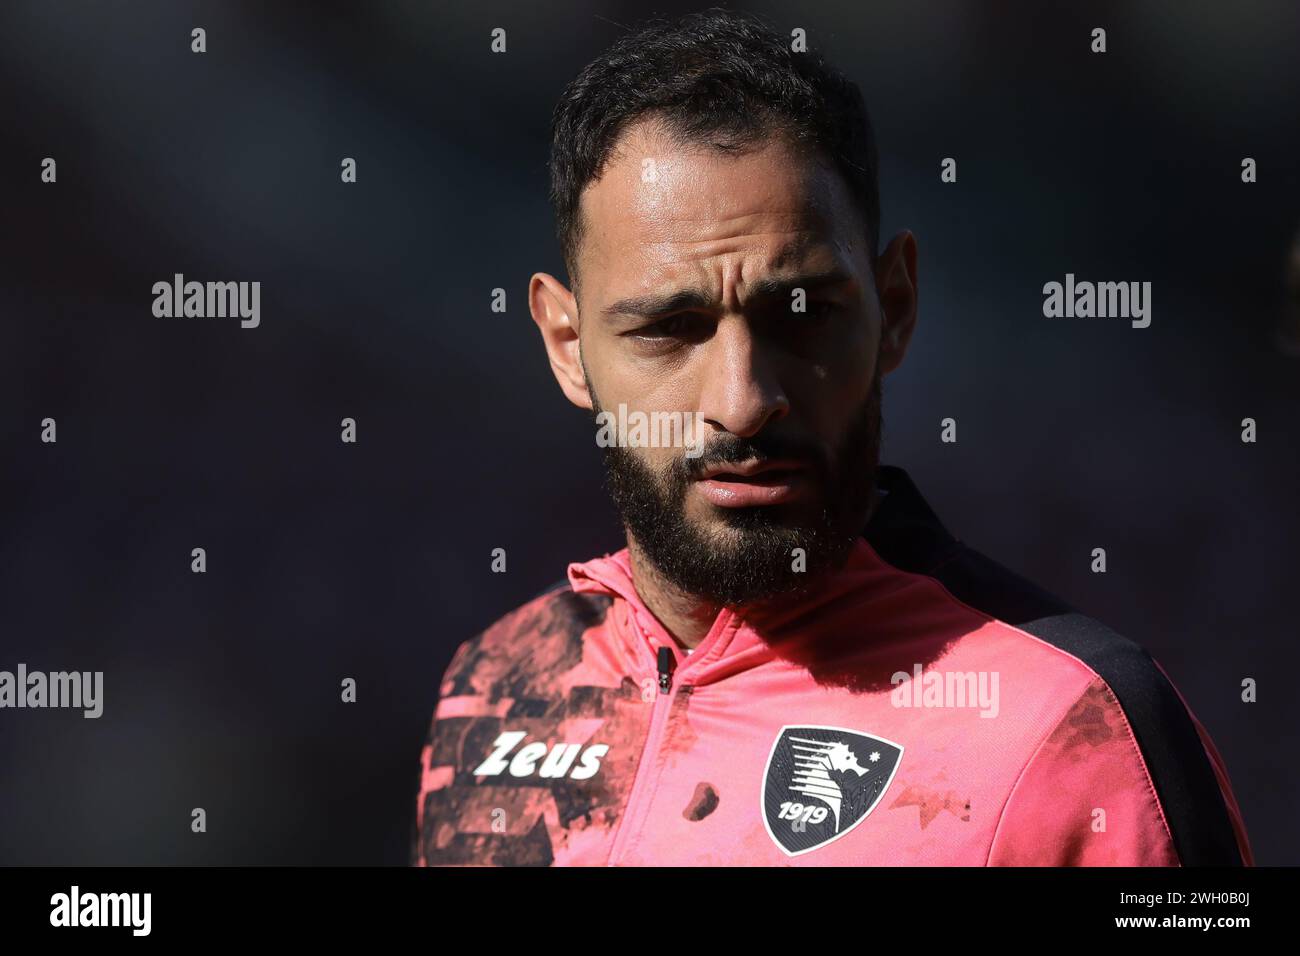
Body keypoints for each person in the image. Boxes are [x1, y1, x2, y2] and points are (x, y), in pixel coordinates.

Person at [411, 7, 1252, 866]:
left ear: (895, 307)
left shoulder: (1080, 728)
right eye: (669, 328)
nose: (743, 404)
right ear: (567, 345)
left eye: (801, 315)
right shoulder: (498, 690)